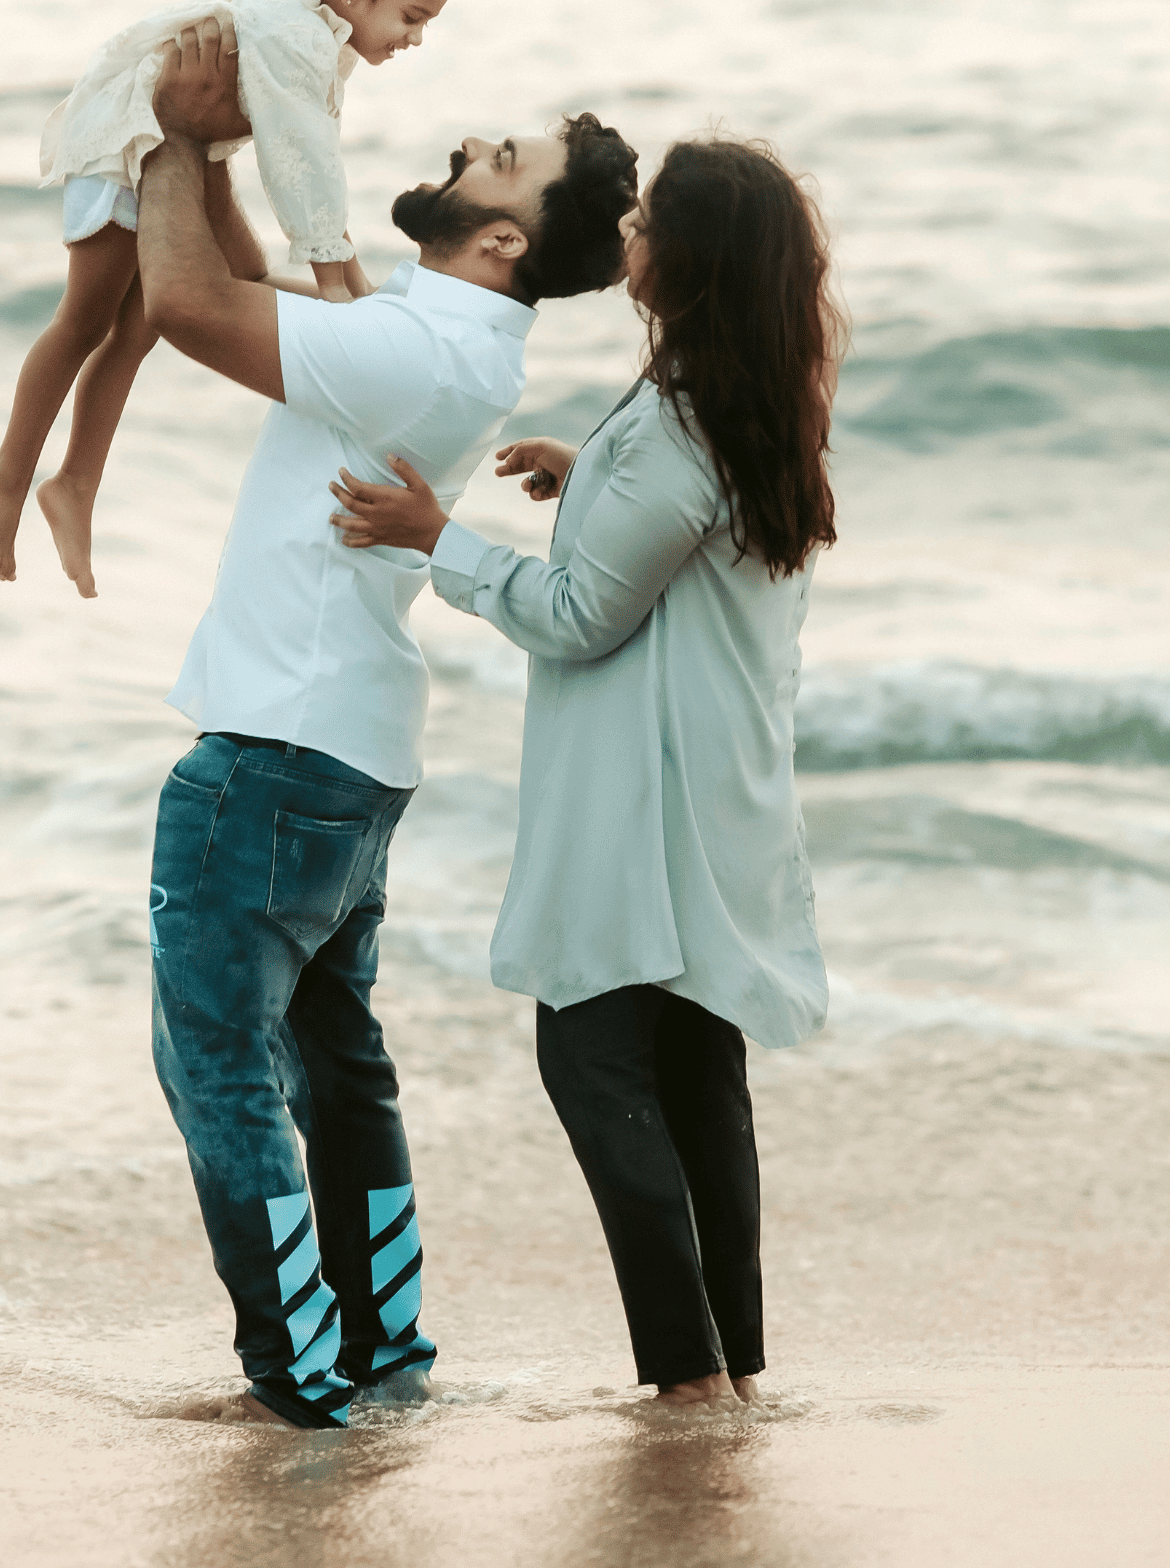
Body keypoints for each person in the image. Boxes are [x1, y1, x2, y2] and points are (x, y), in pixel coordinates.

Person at [137, 15, 639, 1429]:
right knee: (335, 1069)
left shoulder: (418, 353)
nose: (472, 145)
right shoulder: (436, 341)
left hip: (276, 753)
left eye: (507, 162)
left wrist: (171, 133)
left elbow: (183, 305)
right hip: (343, 757)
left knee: (221, 1064)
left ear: (502, 243)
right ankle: (387, 1350)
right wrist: (219, 150)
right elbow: (233, 275)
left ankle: (302, 1373)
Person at [332, 135, 840, 1410]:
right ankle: (732, 1370)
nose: (627, 237)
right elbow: (659, 543)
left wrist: (438, 538)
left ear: (695, 265)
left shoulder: (678, 428)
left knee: (594, 1059)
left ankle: (686, 1378)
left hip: (646, 801)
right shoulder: (746, 400)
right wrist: (588, 477)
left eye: (650, 224)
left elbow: (575, 618)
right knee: (693, 1069)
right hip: (714, 786)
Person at [0, 0, 465, 598]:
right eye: (410, 15)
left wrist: (348, 279)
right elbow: (302, 163)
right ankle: (6, 472)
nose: (416, 37)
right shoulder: (300, 36)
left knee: (136, 330)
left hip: (163, 142)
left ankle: (73, 483)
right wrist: (338, 284)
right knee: (87, 320)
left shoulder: (317, 28)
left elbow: (300, 151)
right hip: (124, 134)